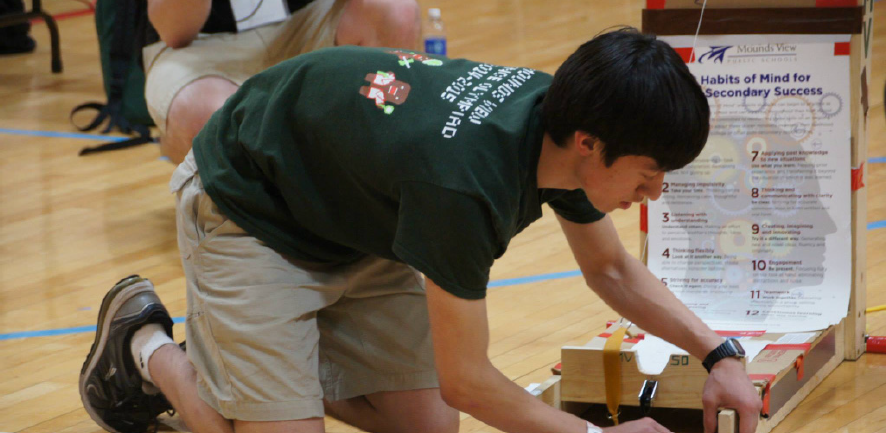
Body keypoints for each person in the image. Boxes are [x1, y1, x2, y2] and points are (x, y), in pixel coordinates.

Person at [80, 28, 763, 433]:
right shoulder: (461, 185)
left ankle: (268, 368)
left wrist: (717, 353)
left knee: (429, 426)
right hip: (248, 204)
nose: (655, 190)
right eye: (648, 174)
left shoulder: (562, 126)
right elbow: (467, 380)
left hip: (360, 216)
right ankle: (146, 348)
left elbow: (610, 270)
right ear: (589, 142)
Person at [144, 0, 420, 164]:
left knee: (395, 11)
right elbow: (175, 33)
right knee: (205, 115)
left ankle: (381, 169)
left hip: (306, 16)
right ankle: (272, 218)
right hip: (202, 45)